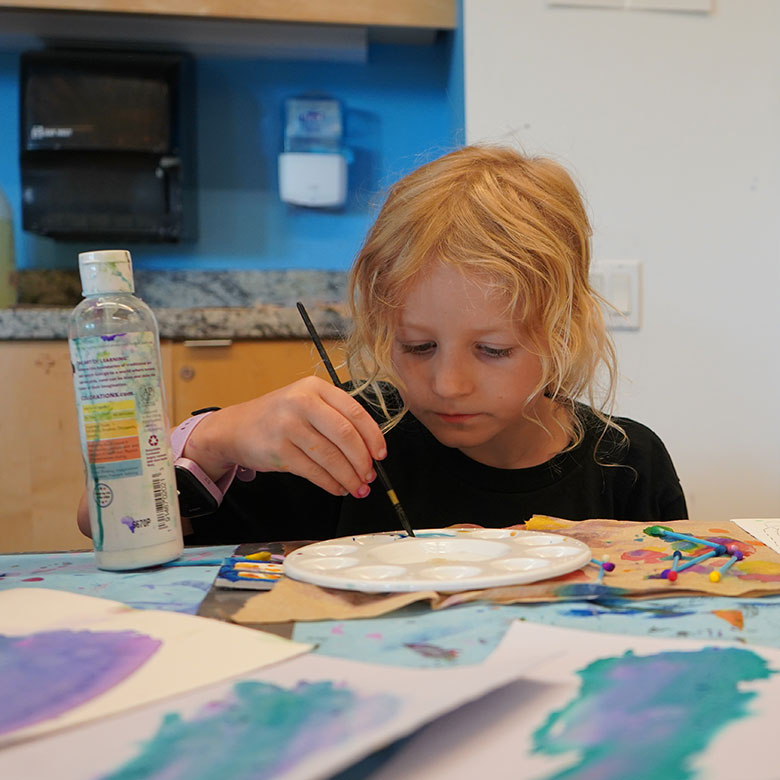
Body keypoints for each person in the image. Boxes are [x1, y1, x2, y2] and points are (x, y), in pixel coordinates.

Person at [77, 145, 687, 544]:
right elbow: (99, 523)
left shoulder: (627, 465)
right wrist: (214, 439)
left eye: (493, 350)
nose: (448, 385)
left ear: (564, 328)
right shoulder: (343, 443)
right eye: (418, 346)